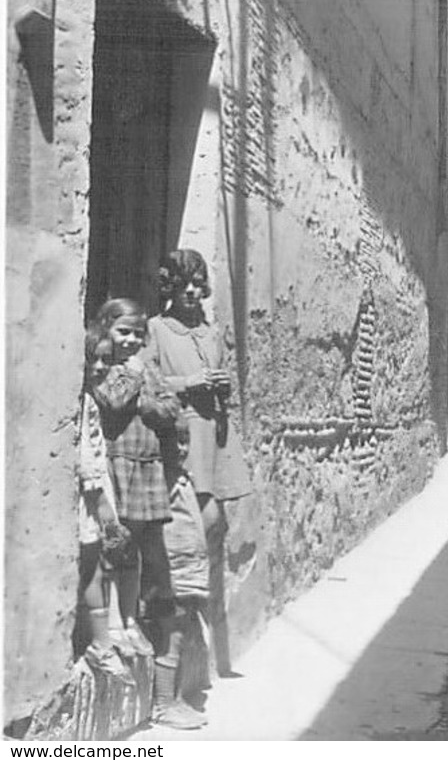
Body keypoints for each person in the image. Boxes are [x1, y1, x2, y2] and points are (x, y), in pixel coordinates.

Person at [143, 249, 252, 673]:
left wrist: (221, 385)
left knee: (215, 522)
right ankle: (179, 620)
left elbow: (224, 381)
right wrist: (189, 382)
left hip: (215, 434)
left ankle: (196, 624)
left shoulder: (211, 332)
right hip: (183, 435)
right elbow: (147, 382)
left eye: (197, 283)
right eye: (183, 283)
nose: (192, 291)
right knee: (194, 524)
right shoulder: (155, 329)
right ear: (170, 286)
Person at [91, 298, 180, 658]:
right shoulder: (105, 367)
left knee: (138, 548)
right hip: (119, 464)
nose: (130, 340)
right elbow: (111, 401)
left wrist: (150, 404)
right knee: (115, 545)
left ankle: (130, 620)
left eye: (137, 334)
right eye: (122, 332)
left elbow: (171, 406)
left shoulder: (146, 366)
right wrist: (136, 376)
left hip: (146, 464)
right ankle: (114, 621)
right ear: (106, 329)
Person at [77, 326, 133, 682]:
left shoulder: (92, 397)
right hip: (90, 494)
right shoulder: (81, 402)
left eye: (106, 360)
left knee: (100, 563)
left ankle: (107, 637)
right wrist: (102, 507)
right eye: (93, 358)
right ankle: (99, 644)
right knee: (91, 566)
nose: (99, 367)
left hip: (97, 490)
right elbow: (86, 456)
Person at [150, 417, 210, 730]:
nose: (184, 448)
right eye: (177, 441)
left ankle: (175, 699)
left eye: (187, 440)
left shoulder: (181, 476)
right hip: (173, 571)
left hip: (189, 570)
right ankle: (163, 705)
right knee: (171, 635)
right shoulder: (163, 481)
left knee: (182, 631)